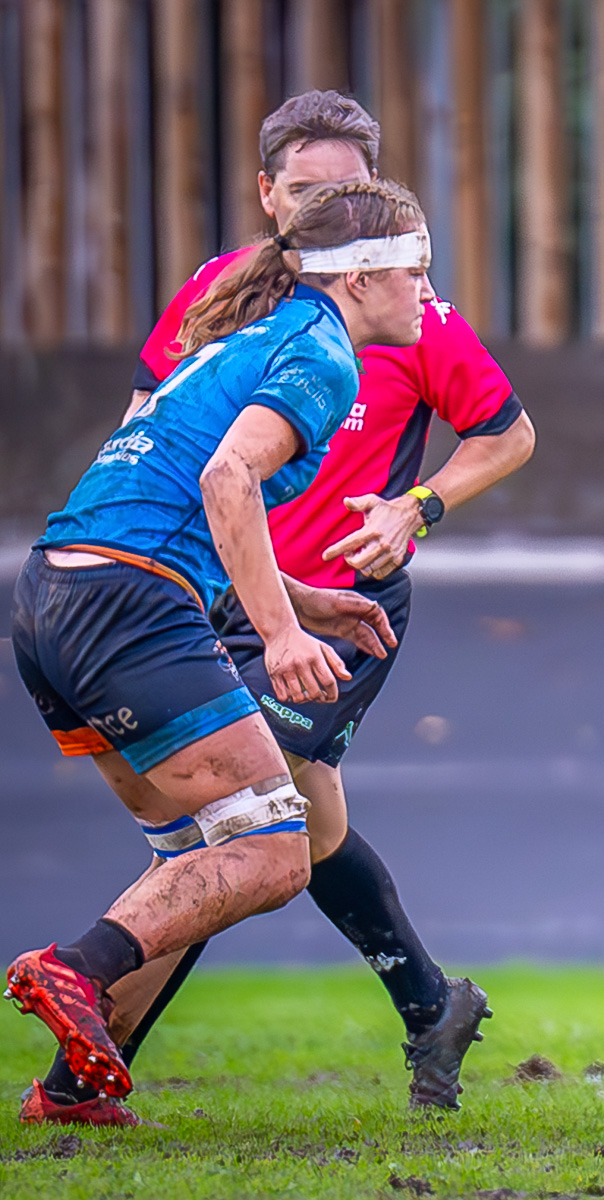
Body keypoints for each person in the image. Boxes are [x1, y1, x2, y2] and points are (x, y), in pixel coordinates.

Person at [19, 92, 535, 1125]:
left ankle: (74, 1093)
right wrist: (288, 629)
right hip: (145, 607)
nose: (429, 294)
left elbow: (172, 476)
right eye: (416, 272)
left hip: (54, 594)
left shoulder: (251, 325)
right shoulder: (322, 350)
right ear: (361, 275)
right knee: (271, 848)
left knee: (192, 845)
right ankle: (75, 967)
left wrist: (310, 599)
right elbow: (224, 484)